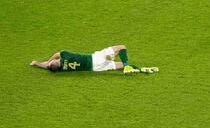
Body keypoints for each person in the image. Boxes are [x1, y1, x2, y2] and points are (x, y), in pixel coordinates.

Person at [30, 45, 158, 74]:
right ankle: (127, 65)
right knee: (122, 47)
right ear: (55, 62)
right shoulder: (65, 55)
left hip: (96, 68)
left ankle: (143, 69)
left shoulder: (62, 69)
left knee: (119, 66)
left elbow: (47, 66)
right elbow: (57, 54)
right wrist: (48, 59)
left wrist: (38, 63)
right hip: (96, 58)